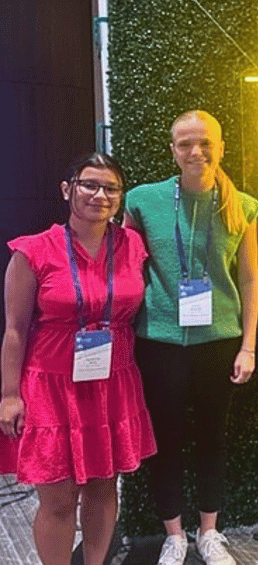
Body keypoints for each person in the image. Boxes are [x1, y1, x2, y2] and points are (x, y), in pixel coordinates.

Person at [0, 153, 156, 565]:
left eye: (110, 188)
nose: (99, 195)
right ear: (68, 189)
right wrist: (9, 395)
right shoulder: (33, 251)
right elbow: (14, 331)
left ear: (120, 198)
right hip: (50, 385)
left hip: (113, 380)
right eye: (89, 184)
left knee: (104, 487)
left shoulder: (133, 245)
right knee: (58, 497)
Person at [124, 110, 258, 565]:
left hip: (219, 342)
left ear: (221, 147)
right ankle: (173, 535)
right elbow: (127, 270)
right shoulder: (142, 201)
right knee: (162, 439)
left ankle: (209, 532)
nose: (195, 152)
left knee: (212, 438)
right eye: (185, 144)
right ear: (172, 150)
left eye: (205, 143)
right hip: (159, 342)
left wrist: (248, 346)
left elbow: (249, 279)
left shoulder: (241, 204)